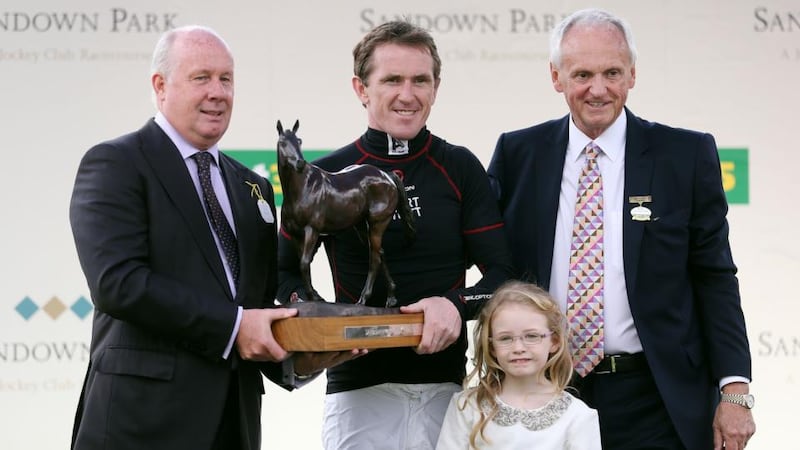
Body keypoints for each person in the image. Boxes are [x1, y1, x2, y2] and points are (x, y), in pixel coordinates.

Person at [487, 8, 756, 450]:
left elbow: (715, 277)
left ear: (632, 74)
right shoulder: (519, 154)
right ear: (556, 77)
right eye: (582, 74)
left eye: (612, 72)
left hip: (656, 398)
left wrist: (736, 391)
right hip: (543, 389)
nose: (598, 89)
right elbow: (491, 263)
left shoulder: (685, 155)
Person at [276, 20, 514, 449]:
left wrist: (455, 306)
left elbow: (503, 274)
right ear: (361, 88)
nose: (408, 94)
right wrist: (318, 321)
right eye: (391, 80)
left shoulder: (460, 167)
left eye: (420, 80)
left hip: (448, 394)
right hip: (356, 393)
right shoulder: (323, 173)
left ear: (436, 87)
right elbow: (281, 274)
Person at [69, 25, 298, 450]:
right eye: (201, 78)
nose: (218, 92)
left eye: (226, 79)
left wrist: (311, 346)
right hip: (140, 425)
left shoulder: (255, 187)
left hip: (235, 424)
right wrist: (234, 327)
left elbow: (258, 306)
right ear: (160, 86)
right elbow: (118, 283)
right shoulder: (117, 163)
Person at [436, 281, 600, 449]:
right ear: (491, 346)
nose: (518, 348)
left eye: (531, 336)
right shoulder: (467, 406)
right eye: (505, 338)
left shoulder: (578, 416)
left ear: (555, 340)